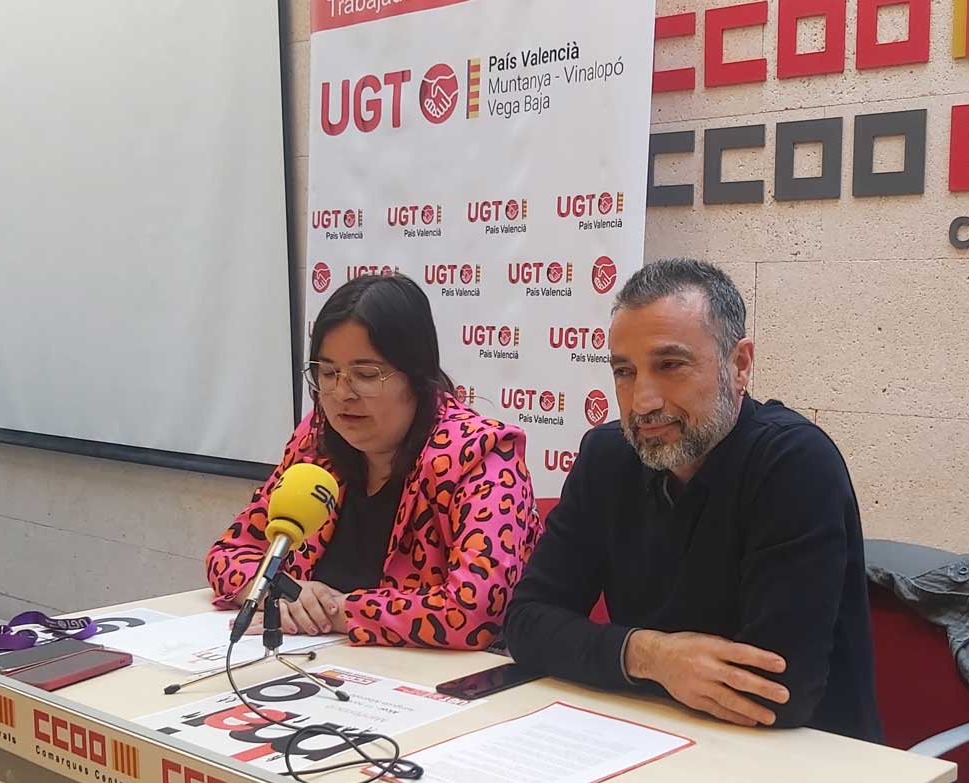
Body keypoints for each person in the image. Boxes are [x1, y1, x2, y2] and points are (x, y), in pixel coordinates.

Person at [505, 257, 879, 738]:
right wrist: (652, 656)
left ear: (739, 365)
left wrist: (605, 656)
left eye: (670, 366)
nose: (643, 400)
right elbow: (527, 623)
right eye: (625, 372)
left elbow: (773, 693)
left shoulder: (793, 462)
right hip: (646, 738)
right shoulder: (607, 456)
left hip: (806, 766)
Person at [207, 273, 539, 650]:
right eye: (328, 373)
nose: (341, 394)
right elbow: (229, 553)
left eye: (366, 375)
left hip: (428, 688)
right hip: (316, 664)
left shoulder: (481, 454)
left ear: (417, 377)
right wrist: (274, 593)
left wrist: (335, 610)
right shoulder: (315, 444)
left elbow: (475, 609)